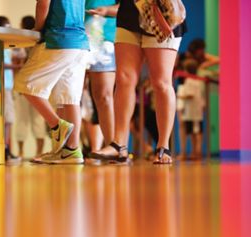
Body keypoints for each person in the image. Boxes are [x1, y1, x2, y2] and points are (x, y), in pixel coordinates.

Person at [89, 0, 186, 164]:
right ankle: (119, 144)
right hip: (130, 12)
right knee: (124, 78)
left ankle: (163, 146)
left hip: (161, 10)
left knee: (161, 82)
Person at [14, 0, 89, 164]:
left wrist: (38, 28)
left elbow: (43, 3)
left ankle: (57, 126)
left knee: (24, 84)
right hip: (80, 42)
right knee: (70, 99)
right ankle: (71, 150)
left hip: (59, 38)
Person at [85, 0, 118, 146]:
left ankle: (112, 146)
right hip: (74, 37)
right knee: (69, 97)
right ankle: (68, 149)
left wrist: (106, 10)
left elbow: (129, 8)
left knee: (103, 95)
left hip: (103, 39)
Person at [12, 15, 46, 158]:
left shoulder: (21, 44)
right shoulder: (41, 43)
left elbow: (16, 66)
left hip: (23, 86)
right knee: (38, 120)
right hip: (39, 86)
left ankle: (20, 151)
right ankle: (39, 152)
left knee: (22, 119)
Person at [0, 16, 22, 163]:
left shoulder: (6, 46)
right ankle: (5, 149)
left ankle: (7, 149)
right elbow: (1, 64)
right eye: (7, 27)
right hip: (3, 86)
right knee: (7, 119)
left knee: (8, 120)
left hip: (8, 86)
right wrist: (17, 67)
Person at [177, 59, 205, 160]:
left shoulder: (189, 81)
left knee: (191, 132)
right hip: (197, 112)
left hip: (190, 112)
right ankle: (196, 152)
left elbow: (190, 95)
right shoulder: (198, 81)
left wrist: (179, 96)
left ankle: (194, 152)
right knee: (196, 132)